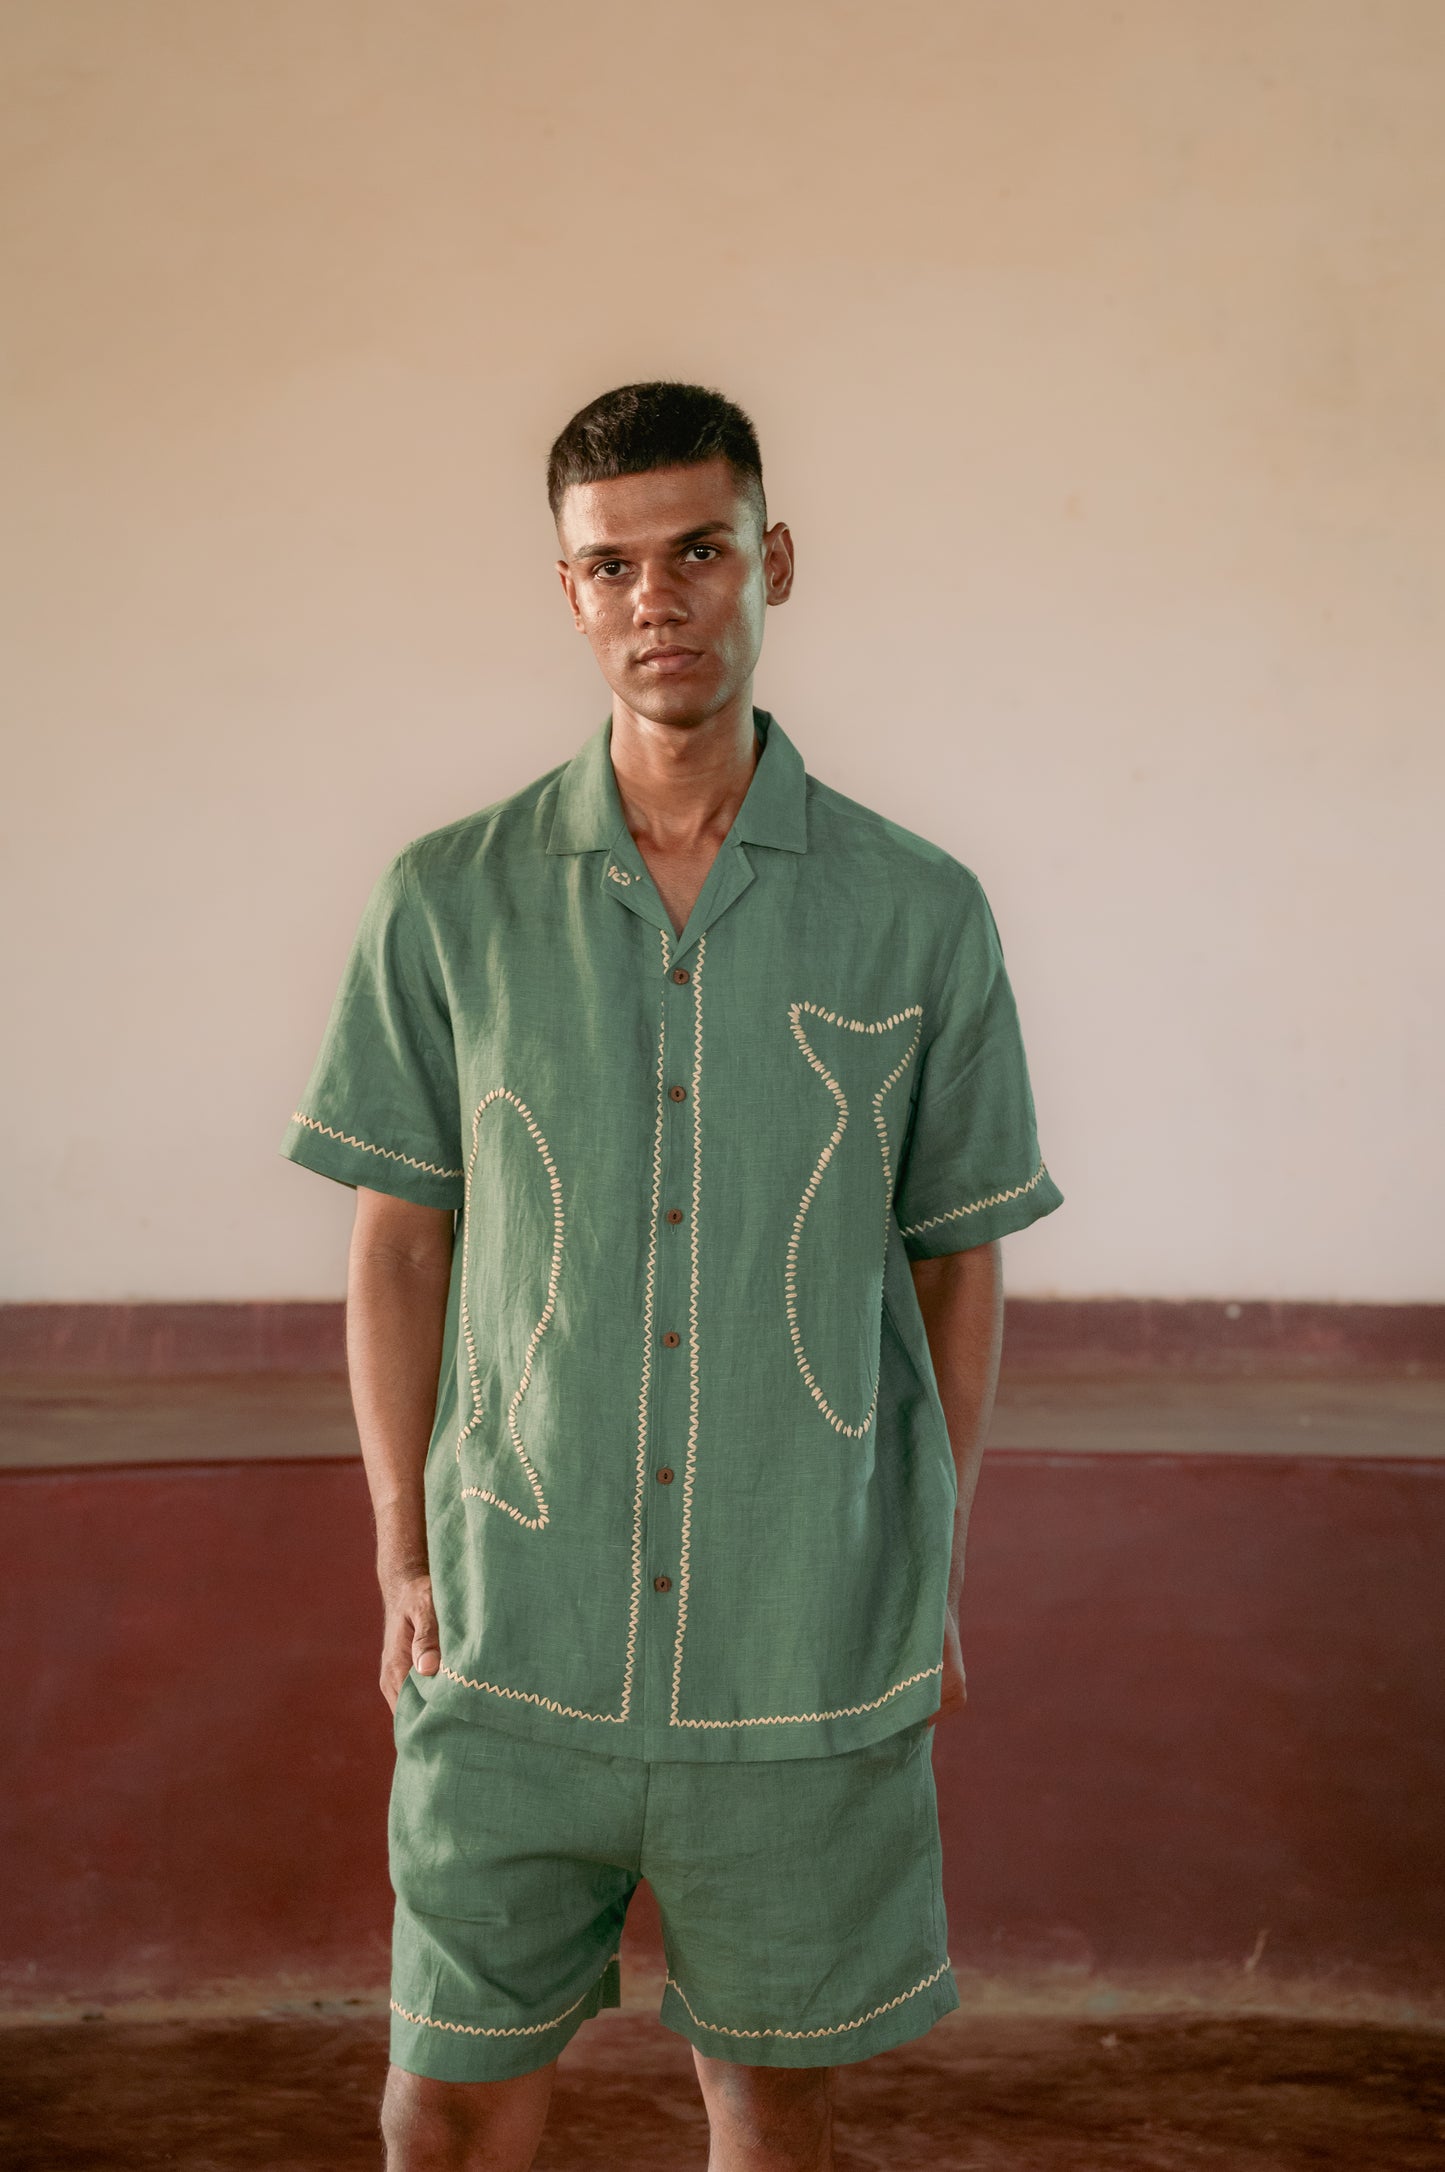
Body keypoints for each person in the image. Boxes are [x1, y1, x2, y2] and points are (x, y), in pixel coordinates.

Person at [280, 379, 1064, 2172]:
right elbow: (400, 1243)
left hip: (800, 1638)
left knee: (770, 2104)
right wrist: (403, 1554)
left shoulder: (918, 911)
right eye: (613, 563)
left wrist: (918, 1553)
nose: (659, 597)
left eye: (699, 551)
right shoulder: (444, 902)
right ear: (568, 593)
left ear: (769, 563)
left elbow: (956, 1261)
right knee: (451, 2099)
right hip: (508, 1633)